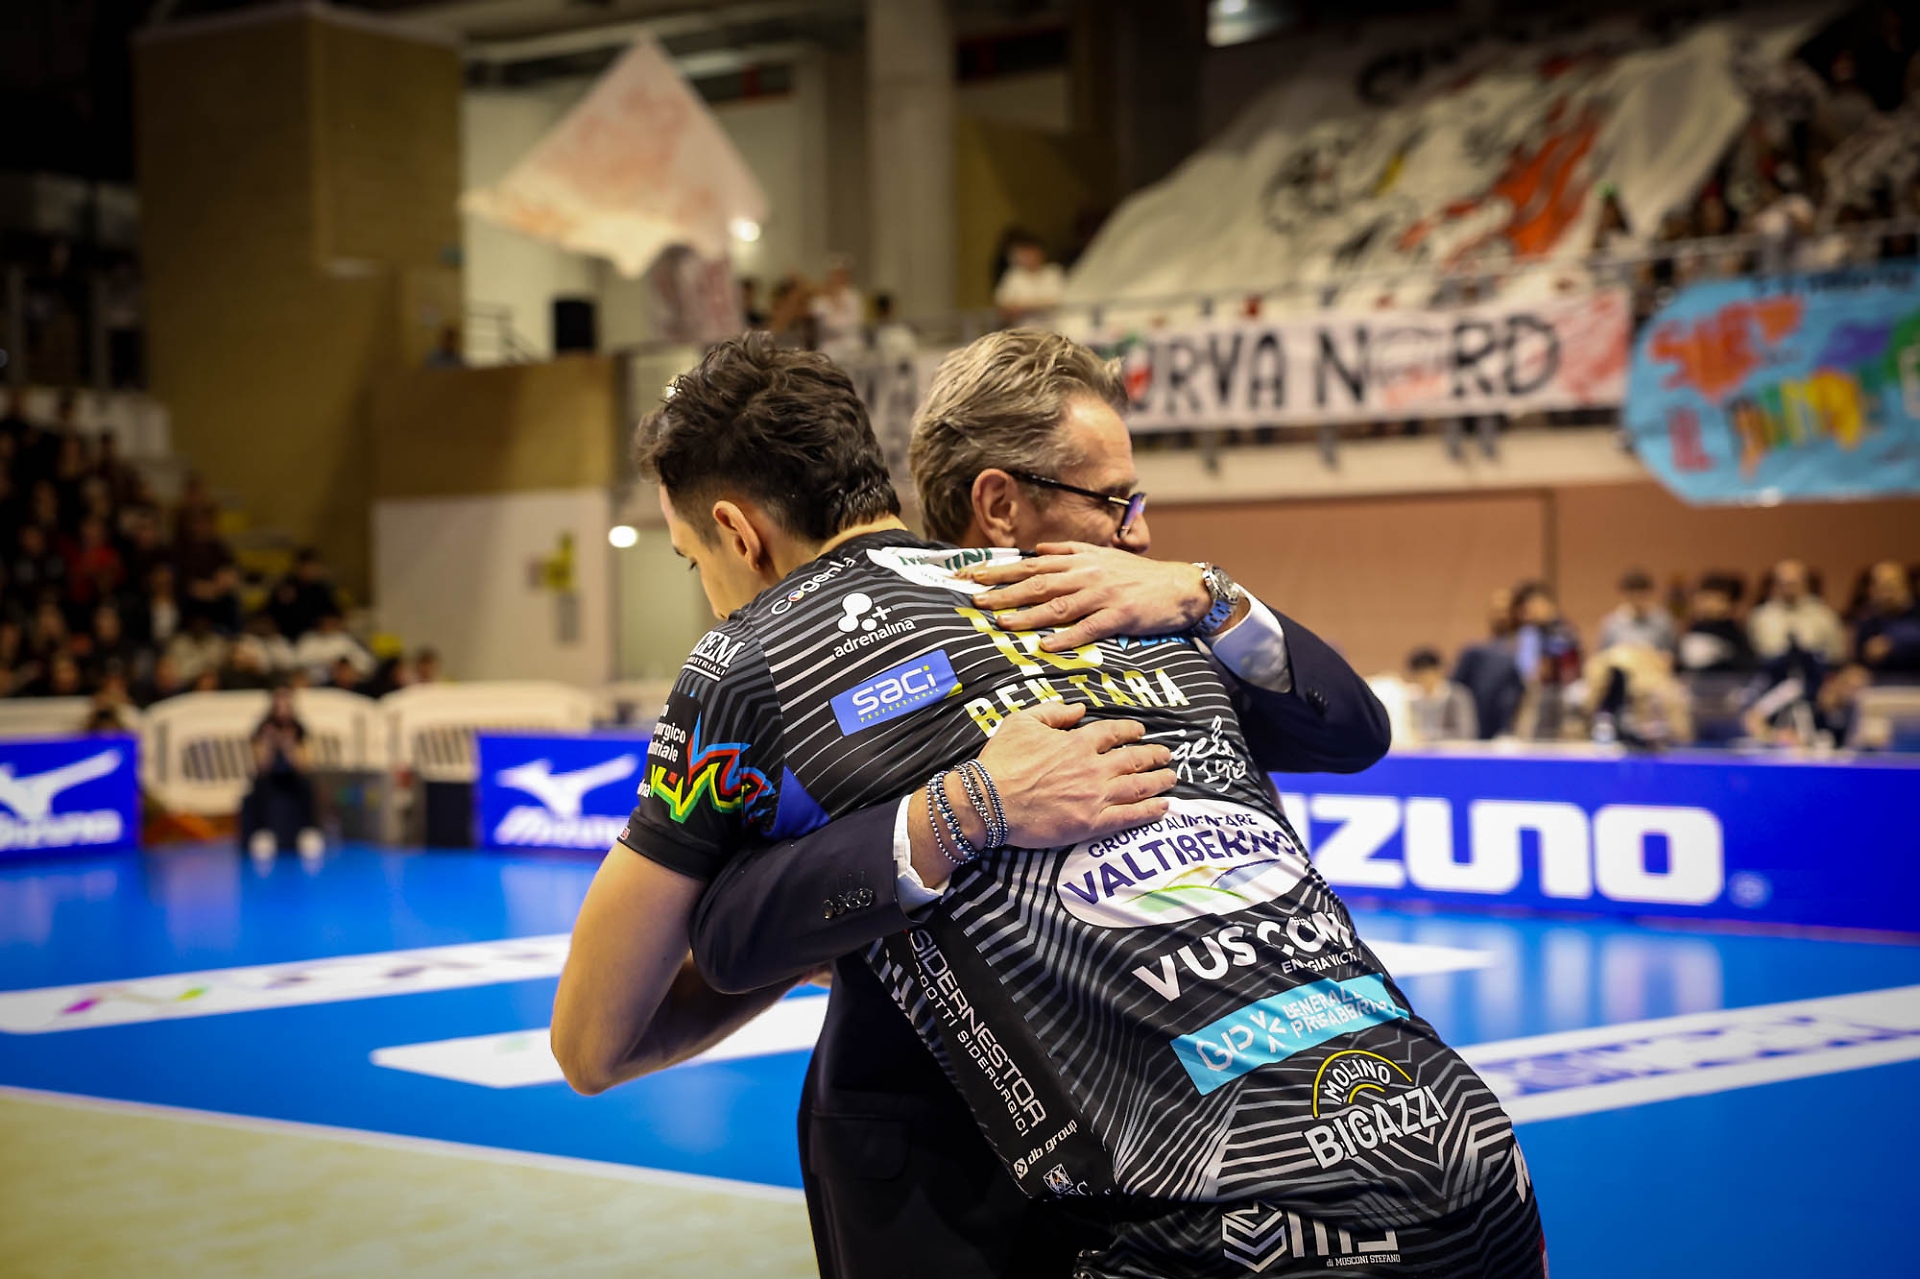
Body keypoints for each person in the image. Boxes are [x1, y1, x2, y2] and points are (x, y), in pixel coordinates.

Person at [552, 334, 1541, 1278]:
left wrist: (951, 818)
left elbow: (603, 1032)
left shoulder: (764, 655)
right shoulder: (1135, 625)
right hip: (1476, 1158)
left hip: (1208, 1220)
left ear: (737, 533)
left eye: (691, 560)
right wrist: (927, 842)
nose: (1139, 531)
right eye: (1116, 501)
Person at [240, 681, 323, 861]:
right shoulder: (263, 728)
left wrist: (289, 747)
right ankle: (263, 833)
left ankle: (308, 831)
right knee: (260, 784)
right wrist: (269, 744)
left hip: (292, 777)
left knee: (308, 784)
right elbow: (261, 766)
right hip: (270, 777)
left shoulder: (299, 728)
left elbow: (304, 766)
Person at [1451, 588, 1524, 739]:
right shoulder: (1475, 655)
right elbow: (1455, 688)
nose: (1501, 616)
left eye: (1506, 610)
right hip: (1483, 733)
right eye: (1496, 611)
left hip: (1521, 728)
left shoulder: (1532, 648)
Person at [1748, 558, 1846, 663]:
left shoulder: (1824, 615)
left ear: (1805, 583)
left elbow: (1837, 652)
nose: (1788, 589)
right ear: (1775, 585)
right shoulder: (1760, 616)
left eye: (1793, 583)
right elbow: (1754, 653)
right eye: (1783, 583)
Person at [1676, 573, 1755, 673]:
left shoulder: (1732, 632)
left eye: (1715, 599)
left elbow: (1746, 663)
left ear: (1729, 603)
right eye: (1703, 598)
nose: (1708, 605)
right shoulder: (1693, 628)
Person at [1853, 560, 1920, 676]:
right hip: (1879, 682)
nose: (1886, 594)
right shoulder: (1868, 620)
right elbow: (1861, 658)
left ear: (1906, 586)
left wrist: (1893, 644)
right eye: (1880, 587)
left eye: (1891, 586)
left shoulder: (1916, 614)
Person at [1403, 646, 1478, 742]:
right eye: (1419, 675)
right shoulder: (1412, 699)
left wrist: (1428, 737)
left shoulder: (1457, 696)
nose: (1424, 679)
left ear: (1438, 671)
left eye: (1427, 674)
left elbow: (1466, 732)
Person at [994, 231, 1065, 326]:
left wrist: (1023, 306)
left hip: (1052, 327)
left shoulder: (1053, 272)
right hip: (1023, 328)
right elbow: (1003, 306)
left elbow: (1058, 301)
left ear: (1040, 252)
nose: (1028, 257)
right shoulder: (1013, 275)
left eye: (1031, 252)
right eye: (1024, 253)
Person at [1596, 568, 1676, 654]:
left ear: (1649, 594)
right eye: (1632, 597)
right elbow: (1602, 655)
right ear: (1624, 596)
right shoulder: (1612, 624)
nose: (1637, 601)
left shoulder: (1663, 622)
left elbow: (1673, 653)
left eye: (1641, 596)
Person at [809, 256, 866, 363]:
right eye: (836, 274)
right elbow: (827, 326)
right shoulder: (819, 300)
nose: (839, 278)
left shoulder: (854, 296)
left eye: (843, 274)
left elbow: (855, 323)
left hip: (853, 351)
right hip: (829, 351)